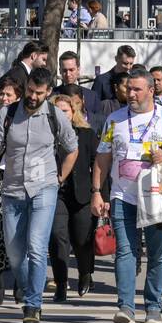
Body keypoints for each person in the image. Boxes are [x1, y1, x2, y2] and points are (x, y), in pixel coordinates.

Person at [0, 67, 78, 323]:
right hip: (12, 191)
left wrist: (60, 177)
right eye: (30, 90)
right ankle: (26, 283)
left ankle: (33, 304)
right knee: (15, 253)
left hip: (44, 189)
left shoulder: (55, 116)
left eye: (39, 93)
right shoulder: (7, 114)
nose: (33, 96)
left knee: (36, 246)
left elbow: (72, 148)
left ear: (48, 92)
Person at [92, 67, 162, 323]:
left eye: (137, 89)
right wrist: (96, 192)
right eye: (128, 89)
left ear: (151, 89)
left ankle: (153, 306)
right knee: (125, 252)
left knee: (157, 253)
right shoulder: (115, 120)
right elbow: (103, 156)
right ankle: (125, 307)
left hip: (157, 197)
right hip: (123, 195)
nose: (131, 94)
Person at [49, 93, 99, 298]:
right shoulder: (47, 135)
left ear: (73, 113)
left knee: (81, 239)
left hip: (82, 194)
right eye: (57, 112)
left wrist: (100, 194)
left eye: (65, 111)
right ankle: (61, 282)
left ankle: (85, 274)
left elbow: (98, 164)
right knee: (57, 237)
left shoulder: (86, 135)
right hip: (56, 193)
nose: (62, 115)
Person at [57, 51, 101, 121]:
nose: (68, 74)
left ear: (78, 69)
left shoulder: (92, 96)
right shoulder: (52, 95)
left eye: (71, 70)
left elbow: (97, 122)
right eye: (64, 70)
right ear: (60, 71)